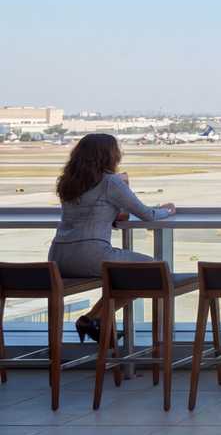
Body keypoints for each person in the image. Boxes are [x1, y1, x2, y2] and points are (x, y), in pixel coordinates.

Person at [48, 133, 176, 344]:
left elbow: (87, 211)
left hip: (58, 257)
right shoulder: (111, 182)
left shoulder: (67, 182)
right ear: (109, 156)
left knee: (128, 276)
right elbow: (147, 215)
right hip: (90, 254)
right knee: (154, 271)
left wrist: (113, 215)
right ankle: (93, 319)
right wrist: (167, 210)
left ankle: (93, 321)